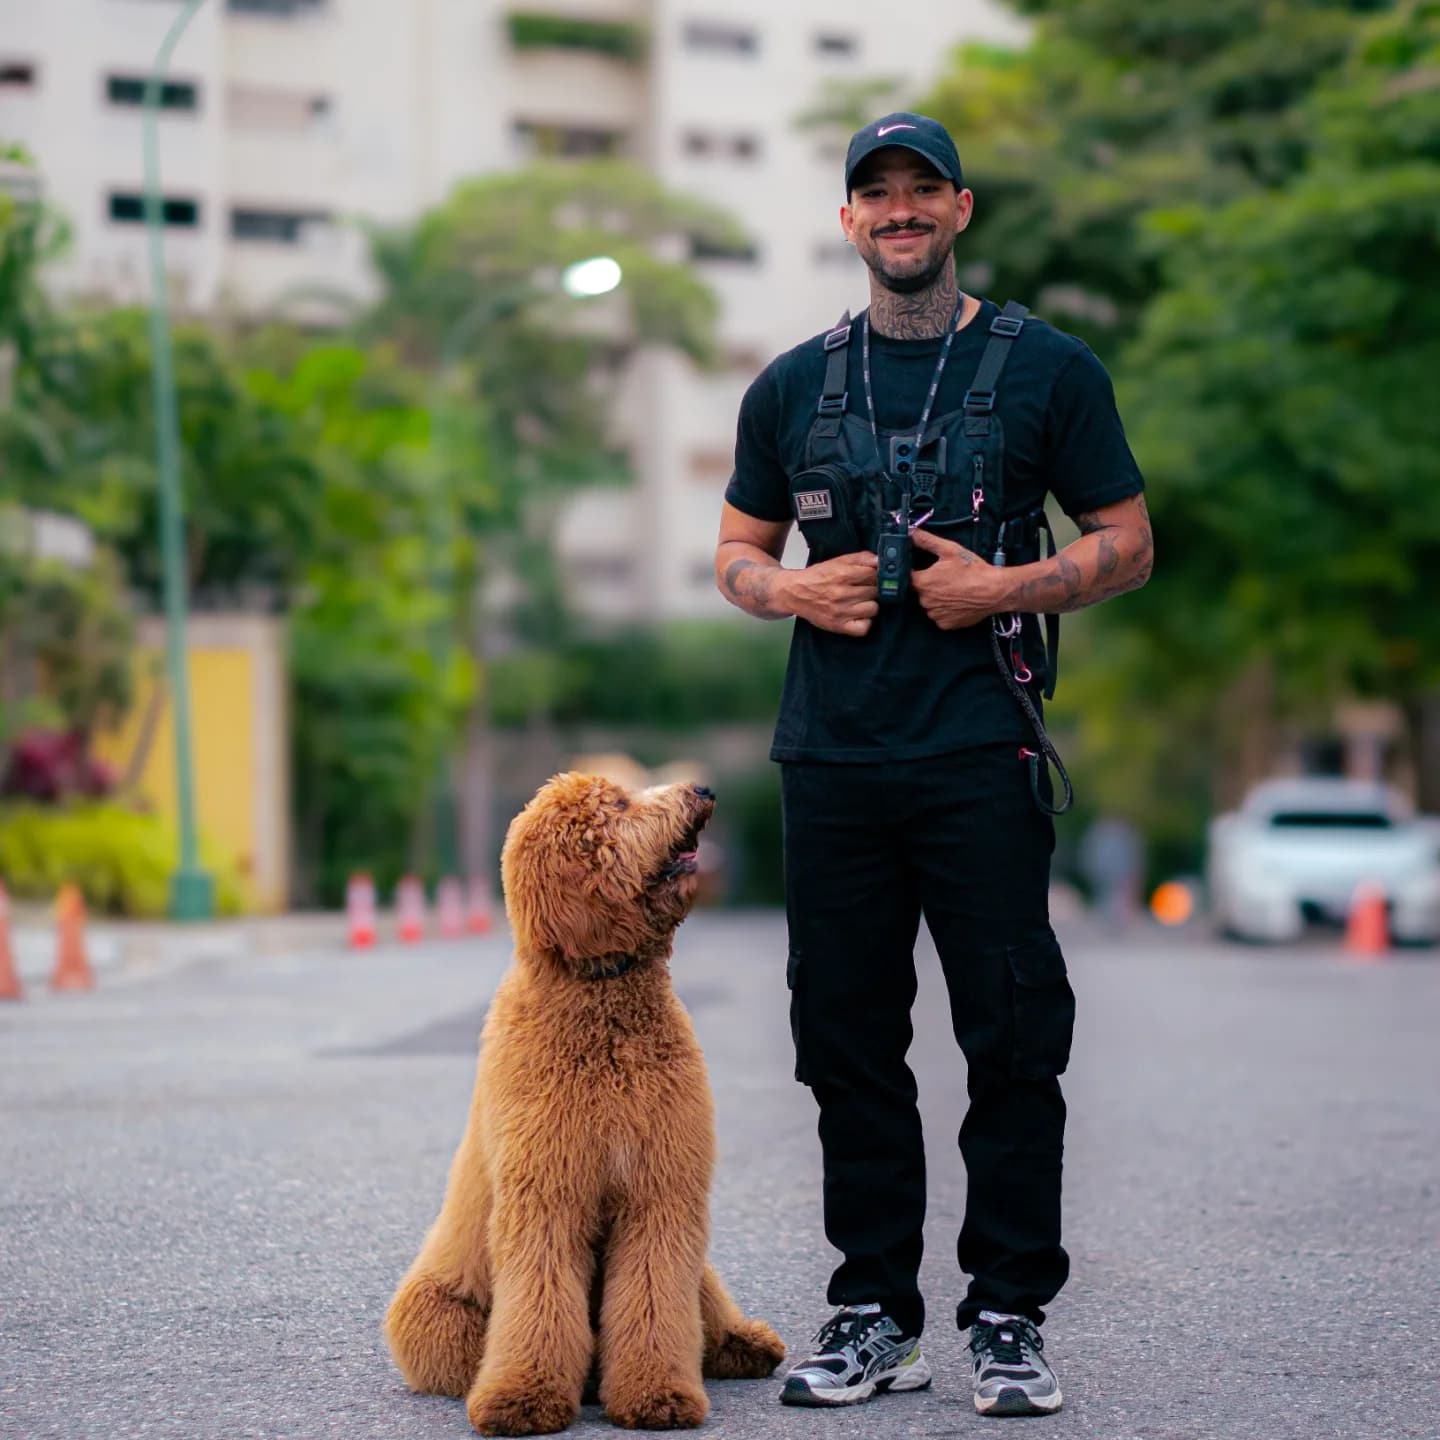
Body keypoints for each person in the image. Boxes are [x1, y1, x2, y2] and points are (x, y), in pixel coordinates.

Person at [714, 112, 1152, 1418]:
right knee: (845, 1042)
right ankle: (874, 1314)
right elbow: (735, 555)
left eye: (922, 191)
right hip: (833, 758)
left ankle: (1008, 1315)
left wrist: (1008, 583)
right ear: (849, 223)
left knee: (1013, 1035)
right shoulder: (790, 387)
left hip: (982, 745)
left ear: (960, 209)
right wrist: (794, 597)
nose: (899, 213)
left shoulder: (1048, 372)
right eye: (876, 196)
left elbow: (1127, 540)